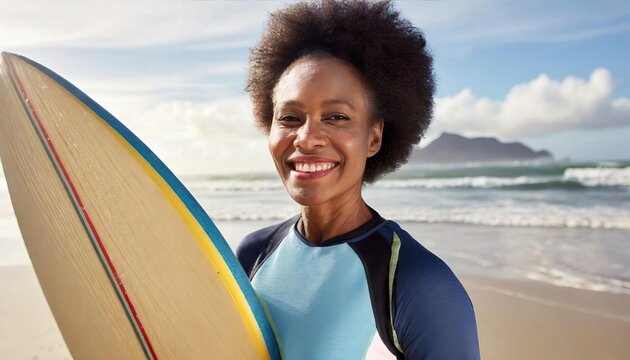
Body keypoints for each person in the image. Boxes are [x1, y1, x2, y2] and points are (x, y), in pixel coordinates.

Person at [237, 1, 480, 358]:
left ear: (374, 138)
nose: (306, 138)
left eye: (336, 117)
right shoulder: (252, 255)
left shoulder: (417, 285)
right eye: (289, 117)